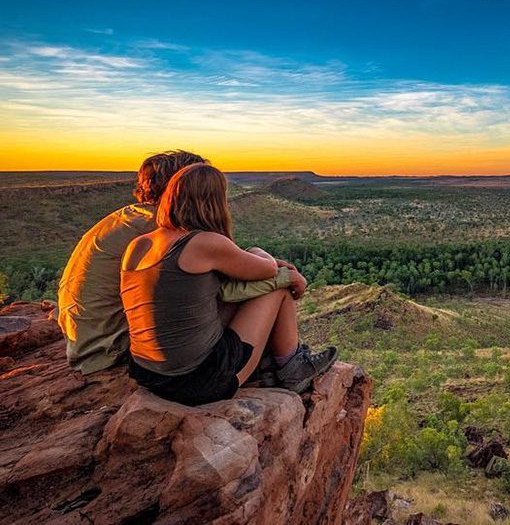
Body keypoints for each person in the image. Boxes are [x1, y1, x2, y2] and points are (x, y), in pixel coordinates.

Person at [57, 150, 296, 374]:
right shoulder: (167, 231)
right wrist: (285, 278)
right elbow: (226, 290)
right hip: (115, 348)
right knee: (257, 293)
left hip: (88, 341)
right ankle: (287, 364)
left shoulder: (131, 220)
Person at [120, 163, 337, 405]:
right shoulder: (204, 243)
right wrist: (259, 252)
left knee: (241, 294)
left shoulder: (138, 245)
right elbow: (269, 270)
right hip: (198, 381)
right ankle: (293, 367)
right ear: (213, 202)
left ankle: (269, 365)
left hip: (149, 374)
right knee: (280, 289)